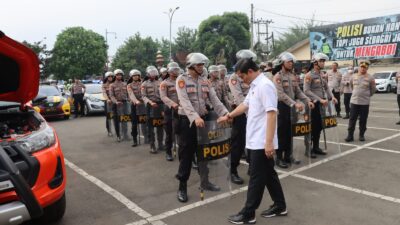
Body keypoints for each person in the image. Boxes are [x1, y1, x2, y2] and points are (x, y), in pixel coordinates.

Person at [219, 57, 287, 224]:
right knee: (269, 174)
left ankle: (248, 213)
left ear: (250, 71)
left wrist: (269, 143)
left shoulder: (265, 86)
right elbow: (245, 105)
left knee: (256, 178)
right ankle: (280, 205)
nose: (242, 80)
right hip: (255, 139)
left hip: (262, 142)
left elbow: (272, 113)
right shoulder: (256, 86)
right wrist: (229, 115)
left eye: (242, 76)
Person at [175, 53, 229, 203]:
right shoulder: (182, 80)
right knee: (186, 155)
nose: (202, 67)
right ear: (191, 65)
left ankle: (205, 182)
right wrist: (195, 117)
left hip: (203, 121)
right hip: (188, 122)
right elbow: (184, 102)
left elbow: (215, 99)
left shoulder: (205, 81)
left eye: (202, 65)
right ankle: (182, 186)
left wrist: (225, 113)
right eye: (199, 65)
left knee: (204, 154)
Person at [273, 52, 314, 168]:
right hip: (282, 107)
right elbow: (280, 95)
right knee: (282, 133)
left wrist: (307, 100)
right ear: (282, 63)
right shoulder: (278, 77)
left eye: (292, 62)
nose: (291, 64)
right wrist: (294, 103)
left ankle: (288, 156)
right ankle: (279, 158)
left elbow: (298, 91)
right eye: (289, 62)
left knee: (290, 132)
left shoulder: (293, 76)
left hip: (292, 107)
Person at [304, 53, 337, 157]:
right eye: (321, 61)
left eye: (324, 61)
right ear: (315, 63)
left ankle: (316, 147)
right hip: (313, 105)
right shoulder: (309, 75)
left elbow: (327, 88)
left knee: (319, 127)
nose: (323, 63)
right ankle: (308, 149)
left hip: (321, 106)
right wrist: (319, 100)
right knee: (311, 127)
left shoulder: (322, 74)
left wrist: (332, 97)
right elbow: (306, 91)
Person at [228, 49, 252, 185]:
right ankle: (233, 170)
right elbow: (239, 98)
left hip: (253, 113)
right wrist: (250, 110)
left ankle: (253, 167)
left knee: (253, 141)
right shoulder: (234, 78)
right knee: (238, 143)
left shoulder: (251, 75)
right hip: (241, 114)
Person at [345, 61, 376, 142]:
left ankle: (361, 135)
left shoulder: (370, 78)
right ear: (359, 67)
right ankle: (350, 135)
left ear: (367, 68)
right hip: (354, 101)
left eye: (364, 67)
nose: (363, 69)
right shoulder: (353, 76)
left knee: (363, 119)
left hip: (364, 103)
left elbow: (373, 90)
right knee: (352, 119)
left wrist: (366, 95)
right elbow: (352, 86)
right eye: (361, 67)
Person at [160, 62, 180, 161]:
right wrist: (173, 104)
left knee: (180, 131)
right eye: (174, 69)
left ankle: (182, 152)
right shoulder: (164, 83)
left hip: (181, 110)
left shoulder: (181, 81)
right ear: (169, 71)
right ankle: (168, 152)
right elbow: (163, 97)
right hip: (169, 110)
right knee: (169, 132)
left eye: (177, 69)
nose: (176, 71)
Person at [141, 66, 164, 153]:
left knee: (160, 126)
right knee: (151, 127)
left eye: (154, 73)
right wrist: (150, 102)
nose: (153, 74)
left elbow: (163, 94)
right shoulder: (144, 84)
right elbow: (143, 96)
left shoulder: (160, 82)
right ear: (148, 74)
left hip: (160, 105)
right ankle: (152, 145)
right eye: (151, 73)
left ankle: (161, 144)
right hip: (150, 106)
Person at [127, 69, 147, 147]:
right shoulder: (129, 85)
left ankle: (146, 138)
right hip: (134, 105)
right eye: (134, 76)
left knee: (144, 122)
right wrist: (136, 101)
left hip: (143, 104)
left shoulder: (143, 84)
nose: (136, 77)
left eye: (137, 75)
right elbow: (131, 94)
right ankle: (135, 140)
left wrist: (143, 100)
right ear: (131, 77)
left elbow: (145, 93)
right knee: (134, 124)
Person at [109, 69, 129, 142]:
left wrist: (129, 99)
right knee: (117, 120)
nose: (119, 76)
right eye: (117, 75)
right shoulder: (112, 85)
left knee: (125, 119)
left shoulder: (125, 84)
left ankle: (125, 134)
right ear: (115, 76)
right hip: (116, 104)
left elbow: (128, 94)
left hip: (124, 103)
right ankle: (118, 135)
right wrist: (116, 102)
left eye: (120, 75)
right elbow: (111, 96)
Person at [102, 71, 115, 136]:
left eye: (111, 76)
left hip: (115, 102)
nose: (110, 78)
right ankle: (109, 131)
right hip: (108, 102)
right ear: (106, 78)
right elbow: (104, 93)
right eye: (109, 77)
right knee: (109, 117)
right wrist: (108, 99)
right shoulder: (104, 85)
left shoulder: (115, 83)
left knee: (118, 116)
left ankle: (118, 130)